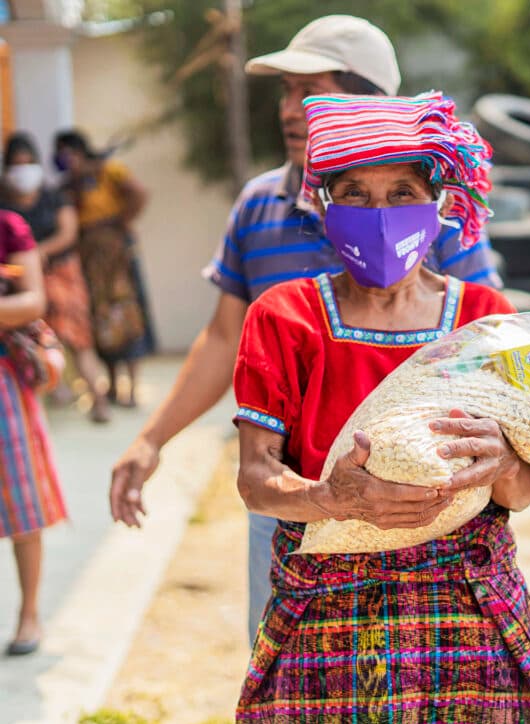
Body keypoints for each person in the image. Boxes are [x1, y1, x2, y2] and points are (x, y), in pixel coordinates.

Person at [109, 15, 504, 645]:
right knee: (289, 669)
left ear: (373, 103)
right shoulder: (260, 204)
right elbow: (222, 339)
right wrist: (153, 439)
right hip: (291, 495)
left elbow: (484, 348)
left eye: (312, 90)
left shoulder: (433, 210)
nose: (293, 110)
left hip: (426, 516)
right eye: (288, 93)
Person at [231, 91, 530, 724]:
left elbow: (522, 493)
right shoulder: (285, 317)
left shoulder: (486, 319)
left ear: (438, 203)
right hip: (330, 613)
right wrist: (333, 499)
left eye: (401, 192)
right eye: (355, 194)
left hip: (464, 611)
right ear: (324, 207)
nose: (378, 216)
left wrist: (501, 458)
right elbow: (256, 479)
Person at [0, 132, 111, 422]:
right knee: (37, 337)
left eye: (28, 162)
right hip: (22, 279)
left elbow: (68, 233)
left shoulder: (54, 198)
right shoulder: (6, 207)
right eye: (16, 164)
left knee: (79, 339)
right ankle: (53, 392)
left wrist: (37, 253)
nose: (22, 170)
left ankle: (97, 398)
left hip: (63, 274)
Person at [0, 209, 69, 656]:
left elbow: (33, 301)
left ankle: (28, 614)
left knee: (22, 503)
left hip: (5, 380)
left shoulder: (8, 227)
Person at [54, 128, 153, 409]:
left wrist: (121, 222)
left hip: (116, 254)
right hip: (88, 257)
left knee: (126, 315)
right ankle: (111, 386)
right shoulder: (70, 184)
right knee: (99, 318)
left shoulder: (110, 171)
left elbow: (139, 193)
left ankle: (132, 388)